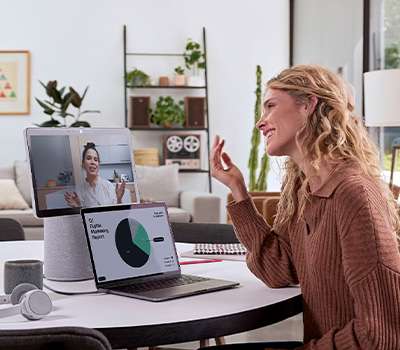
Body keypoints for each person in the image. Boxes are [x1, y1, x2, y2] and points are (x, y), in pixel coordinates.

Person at [209, 65, 400, 349]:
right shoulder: (304, 190)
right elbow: (278, 270)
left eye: (271, 106)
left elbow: (382, 335)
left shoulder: (353, 194)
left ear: (308, 104)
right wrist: (239, 191)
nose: (261, 123)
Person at [65, 142, 126, 207]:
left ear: (98, 164)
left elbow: (117, 213)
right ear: (83, 164)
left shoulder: (109, 186)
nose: (93, 162)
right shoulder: (79, 190)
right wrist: (77, 206)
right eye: (88, 158)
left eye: (95, 159)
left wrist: (119, 199)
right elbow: (83, 215)